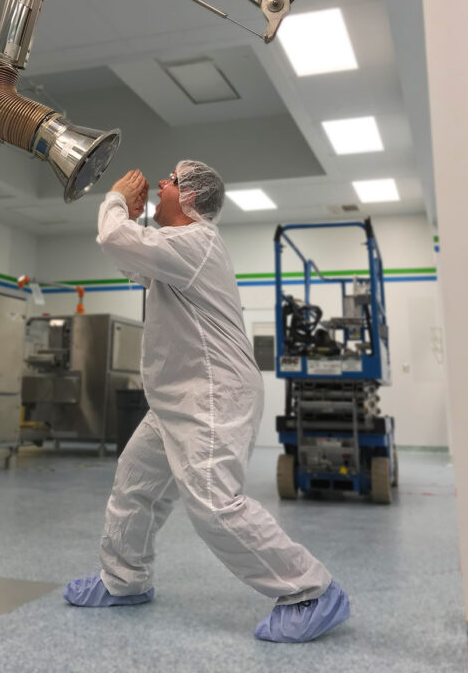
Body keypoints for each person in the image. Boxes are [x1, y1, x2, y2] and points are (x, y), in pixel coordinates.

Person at [63, 160, 350, 643]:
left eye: (171, 181)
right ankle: (124, 580)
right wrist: (133, 219)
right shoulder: (174, 249)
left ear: (192, 197)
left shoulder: (195, 243)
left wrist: (114, 199)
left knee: (215, 503)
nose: (160, 183)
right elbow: (130, 257)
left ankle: (311, 590)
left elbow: (115, 241)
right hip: (176, 398)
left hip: (211, 395)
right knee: (135, 487)